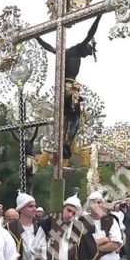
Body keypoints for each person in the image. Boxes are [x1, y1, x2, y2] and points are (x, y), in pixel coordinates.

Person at [36, 14, 102, 159]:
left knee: (65, 117)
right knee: (75, 118)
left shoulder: (64, 53)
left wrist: (38, 38)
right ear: (85, 48)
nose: (86, 56)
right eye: (87, 53)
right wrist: (99, 16)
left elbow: (49, 47)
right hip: (71, 88)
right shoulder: (78, 49)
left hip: (61, 89)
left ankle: (61, 143)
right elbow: (90, 33)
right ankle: (67, 142)